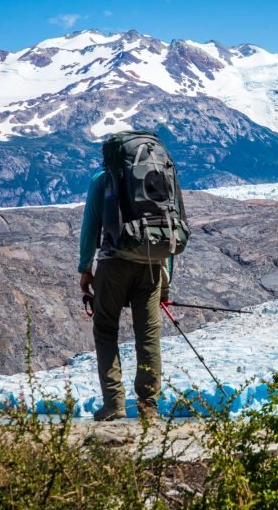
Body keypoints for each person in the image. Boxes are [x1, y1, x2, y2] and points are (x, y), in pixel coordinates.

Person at [78, 131, 188, 421]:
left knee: (105, 330)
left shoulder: (102, 181)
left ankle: (113, 403)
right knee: (148, 335)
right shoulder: (165, 178)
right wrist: (166, 281)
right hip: (153, 264)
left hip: (114, 263)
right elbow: (172, 230)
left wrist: (85, 269)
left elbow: (90, 228)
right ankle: (148, 407)